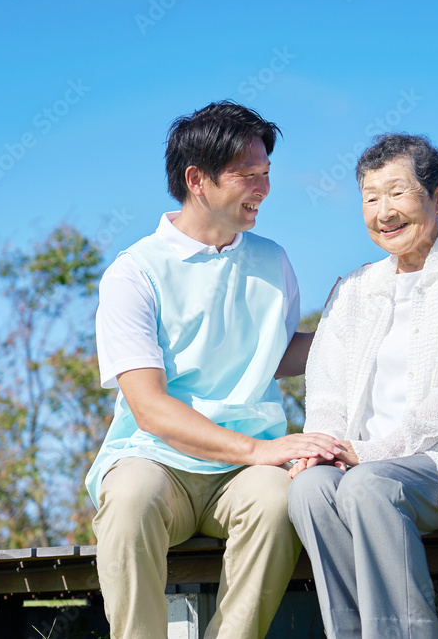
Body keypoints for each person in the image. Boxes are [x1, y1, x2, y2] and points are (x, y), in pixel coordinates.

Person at [85, 101, 341, 639]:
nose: (263, 189)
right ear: (196, 179)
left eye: (266, 175)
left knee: (278, 500)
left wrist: (363, 336)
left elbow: (274, 355)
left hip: (245, 476)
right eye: (248, 176)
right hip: (157, 464)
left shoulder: (275, 260)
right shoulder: (133, 273)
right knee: (128, 498)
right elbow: (150, 409)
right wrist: (260, 450)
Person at [287, 133, 438, 638]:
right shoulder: (352, 288)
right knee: (309, 489)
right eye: (371, 198)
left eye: (397, 193)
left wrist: (374, 452)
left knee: (371, 485)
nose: (383, 210)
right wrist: (324, 449)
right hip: (358, 464)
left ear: (437, 197)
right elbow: (326, 386)